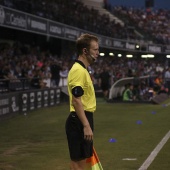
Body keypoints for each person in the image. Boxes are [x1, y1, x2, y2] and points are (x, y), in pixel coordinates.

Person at [65, 33, 99, 170]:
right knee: (77, 163)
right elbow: (76, 101)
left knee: (82, 161)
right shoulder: (78, 71)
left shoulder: (83, 70)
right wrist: (86, 125)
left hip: (83, 118)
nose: (98, 53)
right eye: (95, 49)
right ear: (85, 51)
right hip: (79, 120)